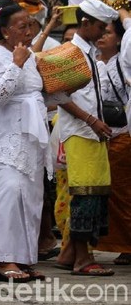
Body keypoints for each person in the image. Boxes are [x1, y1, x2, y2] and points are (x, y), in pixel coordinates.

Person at [0, 3, 49, 283]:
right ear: (6, 31)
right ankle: (5, 259)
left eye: (31, 24)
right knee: (9, 195)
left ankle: (24, 259)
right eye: (22, 26)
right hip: (7, 138)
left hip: (31, 137)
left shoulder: (31, 55)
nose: (29, 30)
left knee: (30, 199)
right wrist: (16, 64)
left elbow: (35, 93)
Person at [56, 0, 118, 277]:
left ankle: (71, 253)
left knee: (95, 193)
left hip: (92, 134)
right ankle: (83, 259)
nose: (104, 32)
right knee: (85, 195)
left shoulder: (88, 52)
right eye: (100, 27)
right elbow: (59, 95)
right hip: (81, 133)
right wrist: (91, 120)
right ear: (85, 24)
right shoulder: (71, 52)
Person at [94, 17, 131, 265]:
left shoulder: (124, 64)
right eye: (101, 31)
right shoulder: (92, 63)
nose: (102, 36)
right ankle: (123, 243)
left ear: (119, 38)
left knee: (125, 193)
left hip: (124, 133)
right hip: (101, 134)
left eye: (107, 32)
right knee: (112, 193)